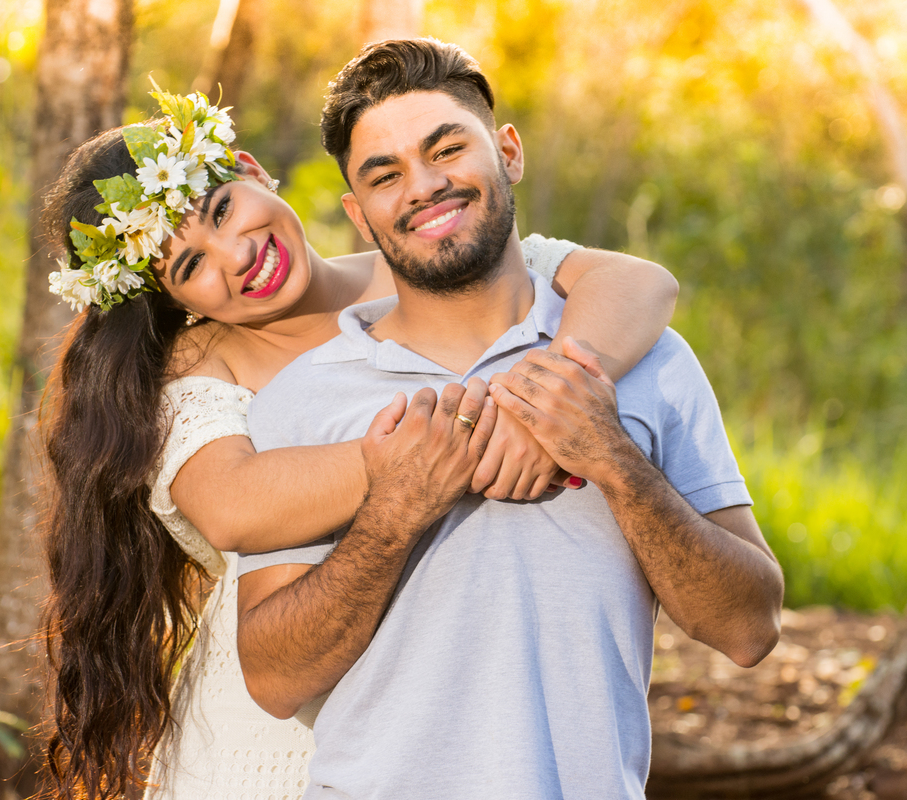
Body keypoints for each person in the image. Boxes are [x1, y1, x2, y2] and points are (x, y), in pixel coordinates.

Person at [38, 84, 679, 798]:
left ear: (250, 169)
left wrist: (541, 412)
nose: (236, 255)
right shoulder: (198, 364)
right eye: (188, 266)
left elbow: (637, 283)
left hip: (447, 718)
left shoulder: (420, 262)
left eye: (221, 210)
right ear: (174, 301)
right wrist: (430, 457)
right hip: (269, 743)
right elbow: (232, 504)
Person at [234, 38, 785, 798]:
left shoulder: (647, 360)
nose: (424, 187)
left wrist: (610, 457)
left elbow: (750, 627)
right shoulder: (303, 398)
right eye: (385, 175)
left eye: (446, 149)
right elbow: (272, 678)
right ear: (360, 218)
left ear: (508, 152)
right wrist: (394, 513)